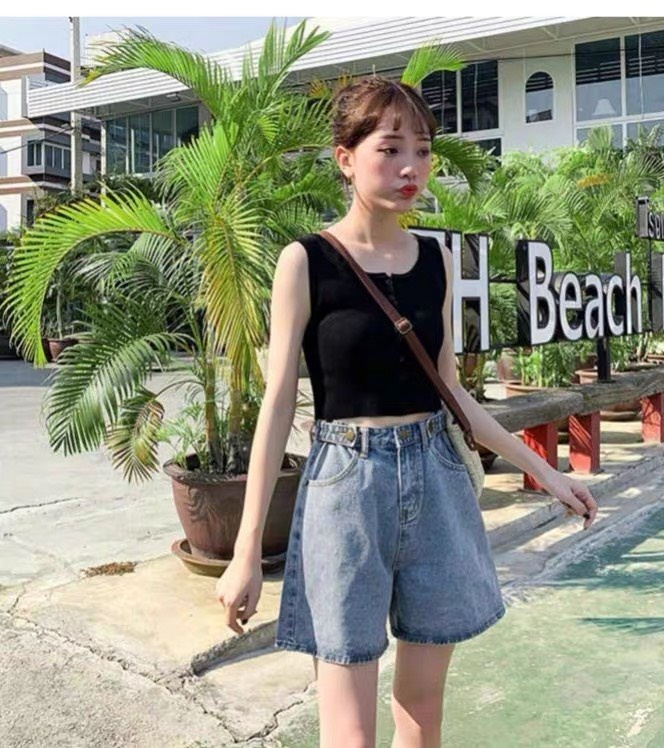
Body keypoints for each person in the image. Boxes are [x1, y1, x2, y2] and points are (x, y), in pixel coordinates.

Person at [216, 75, 598, 747]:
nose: (410, 168)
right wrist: (246, 548)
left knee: (422, 712)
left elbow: (453, 396)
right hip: (346, 487)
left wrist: (548, 473)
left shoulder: (434, 261)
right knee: (349, 731)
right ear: (345, 158)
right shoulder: (305, 261)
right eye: (390, 149)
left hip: (436, 481)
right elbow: (276, 405)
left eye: (421, 151)